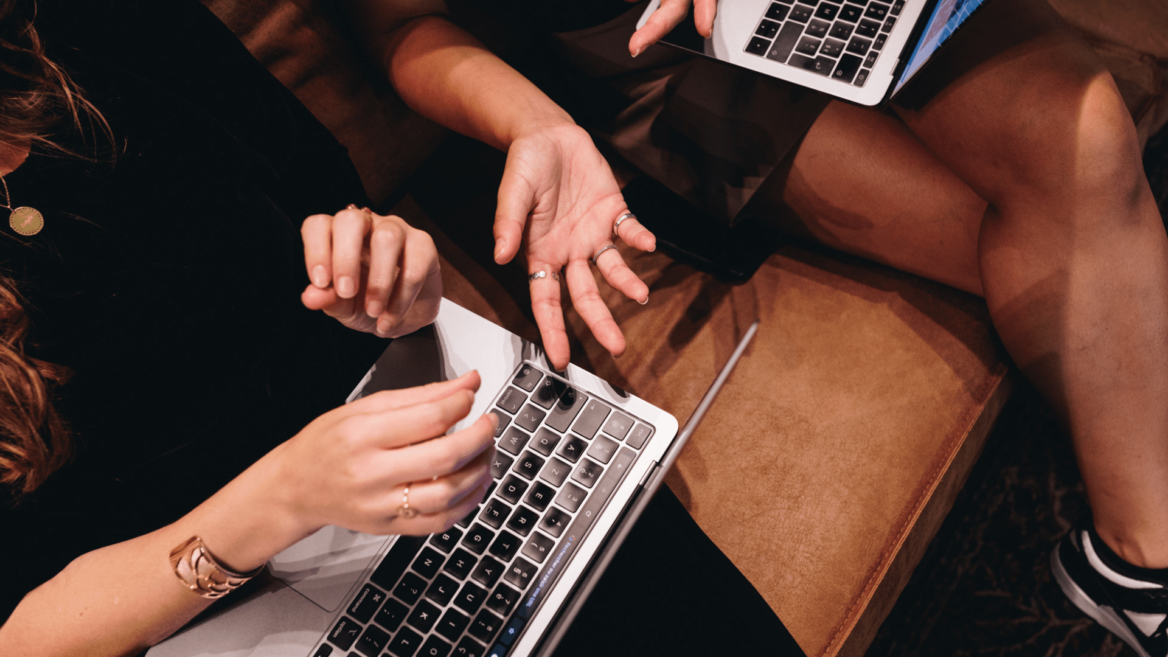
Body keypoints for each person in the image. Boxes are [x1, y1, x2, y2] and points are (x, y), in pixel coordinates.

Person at [0, 0, 676, 654]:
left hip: (399, 437)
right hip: (201, 608)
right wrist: (285, 496)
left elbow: (321, 208)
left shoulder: (91, 23)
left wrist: (388, 277)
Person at [521, 0, 1168, 654]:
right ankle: (1136, 565)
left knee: (1082, 153)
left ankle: (1139, 557)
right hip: (648, 43)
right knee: (1058, 238)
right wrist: (536, 124)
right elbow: (438, 34)